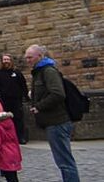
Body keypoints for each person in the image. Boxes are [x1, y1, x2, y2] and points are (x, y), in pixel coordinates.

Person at [25, 44, 81, 182]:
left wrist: (39, 106)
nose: (27, 60)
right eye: (26, 58)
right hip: (53, 122)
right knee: (63, 161)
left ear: (40, 56)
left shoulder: (48, 71)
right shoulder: (39, 71)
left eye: (30, 57)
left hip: (58, 122)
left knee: (65, 162)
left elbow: (58, 94)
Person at [0, 53, 29, 144]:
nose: (6, 61)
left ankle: (20, 137)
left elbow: (23, 85)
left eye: (7, 59)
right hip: (5, 100)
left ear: (11, 61)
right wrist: (3, 91)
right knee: (7, 120)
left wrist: (25, 96)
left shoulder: (17, 72)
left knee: (18, 119)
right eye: (4, 60)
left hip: (17, 100)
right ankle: (10, 137)